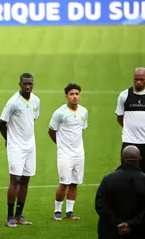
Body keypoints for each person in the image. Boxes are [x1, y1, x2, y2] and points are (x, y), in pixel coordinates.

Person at [0, 73, 40, 227]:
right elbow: (2, 123)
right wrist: (9, 140)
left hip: (30, 146)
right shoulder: (13, 103)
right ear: (20, 84)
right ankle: (10, 217)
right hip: (16, 146)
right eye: (25, 84)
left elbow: (32, 119)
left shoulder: (36, 100)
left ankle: (19, 215)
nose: (28, 87)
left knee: (25, 180)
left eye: (30, 84)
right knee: (15, 180)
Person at [95, 145, 145, 239]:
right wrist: (130, 224)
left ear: (121, 159)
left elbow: (100, 205)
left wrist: (118, 223)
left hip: (111, 233)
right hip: (141, 233)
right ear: (140, 159)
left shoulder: (108, 180)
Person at [48, 83, 88, 221]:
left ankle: (69, 212)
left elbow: (82, 129)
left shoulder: (84, 112)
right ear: (66, 97)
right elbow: (51, 131)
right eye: (71, 94)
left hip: (79, 153)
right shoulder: (59, 113)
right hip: (65, 153)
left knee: (74, 183)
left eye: (77, 94)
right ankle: (57, 210)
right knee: (64, 182)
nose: (75, 97)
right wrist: (61, 145)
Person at [115, 67, 145, 175]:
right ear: (133, 78)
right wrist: (129, 129)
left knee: (144, 173)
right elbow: (120, 118)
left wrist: (143, 128)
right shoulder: (124, 95)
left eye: (141, 79)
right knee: (126, 173)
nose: (138, 82)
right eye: (136, 79)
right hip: (129, 140)